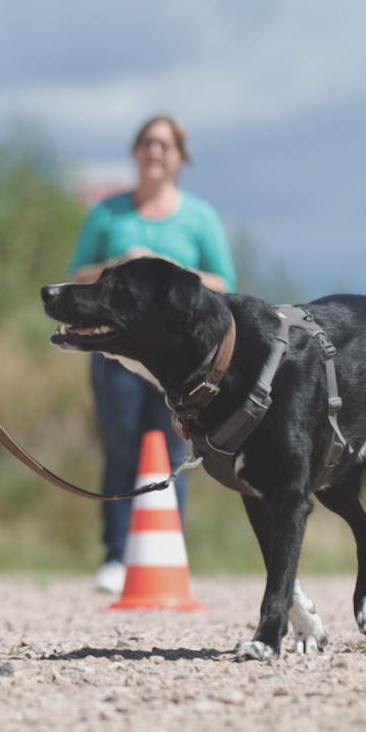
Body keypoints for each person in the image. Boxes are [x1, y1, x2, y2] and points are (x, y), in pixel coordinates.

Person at [67, 113, 235, 594]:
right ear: (135, 152)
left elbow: (226, 284)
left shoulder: (199, 217)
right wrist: (118, 267)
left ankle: (167, 553)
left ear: (180, 156)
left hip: (180, 365)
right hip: (116, 356)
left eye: (165, 144)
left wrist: (178, 275)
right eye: (146, 142)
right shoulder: (107, 214)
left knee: (172, 449)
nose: (154, 152)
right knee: (120, 448)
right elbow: (79, 277)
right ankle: (117, 555)